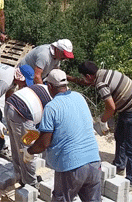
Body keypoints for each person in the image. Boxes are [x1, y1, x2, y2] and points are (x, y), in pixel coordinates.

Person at [26, 69, 102, 202]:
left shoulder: (51, 107)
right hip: (94, 161)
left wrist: (29, 151)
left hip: (71, 166)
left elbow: (44, 143)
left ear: (49, 86)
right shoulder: (79, 97)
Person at [77, 61, 132, 190]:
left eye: (83, 77)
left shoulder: (101, 83)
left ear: (89, 76)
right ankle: (119, 166)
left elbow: (111, 107)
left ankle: (131, 180)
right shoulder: (104, 72)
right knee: (119, 135)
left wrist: (102, 121)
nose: (84, 79)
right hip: (127, 107)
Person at [4, 80, 53, 189]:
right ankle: (31, 183)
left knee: (16, 144)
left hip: (10, 104)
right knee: (27, 150)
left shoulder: (44, 87)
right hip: (21, 114)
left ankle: (20, 175)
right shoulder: (54, 104)